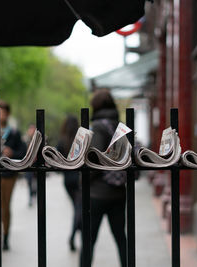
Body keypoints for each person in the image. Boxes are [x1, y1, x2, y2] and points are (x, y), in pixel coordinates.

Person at [81, 89, 127, 267]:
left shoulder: (99, 126)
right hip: (118, 191)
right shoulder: (119, 125)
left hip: (98, 193)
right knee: (121, 238)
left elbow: (95, 160)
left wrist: (84, 181)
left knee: (89, 240)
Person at [0, 100, 27, 253]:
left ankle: (6, 236)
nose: (0, 114)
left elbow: (23, 153)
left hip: (9, 175)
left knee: (5, 206)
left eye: (2, 111)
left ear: (8, 114)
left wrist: (12, 153)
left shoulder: (14, 133)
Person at [57, 115, 82, 251]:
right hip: (79, 179)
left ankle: (78, 232)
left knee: (77, 207)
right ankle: (73, 236)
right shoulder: (80, 141)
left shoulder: (62, 141)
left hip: (68, 180)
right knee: (79, 208)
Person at [23, 124, 37, 207]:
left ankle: (34, 194)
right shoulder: (25, 140)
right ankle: (31, 196)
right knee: (29, 181)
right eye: (30, 129)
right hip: (28, 165)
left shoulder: (39, 140)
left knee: (36, 181)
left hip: (36, 164)